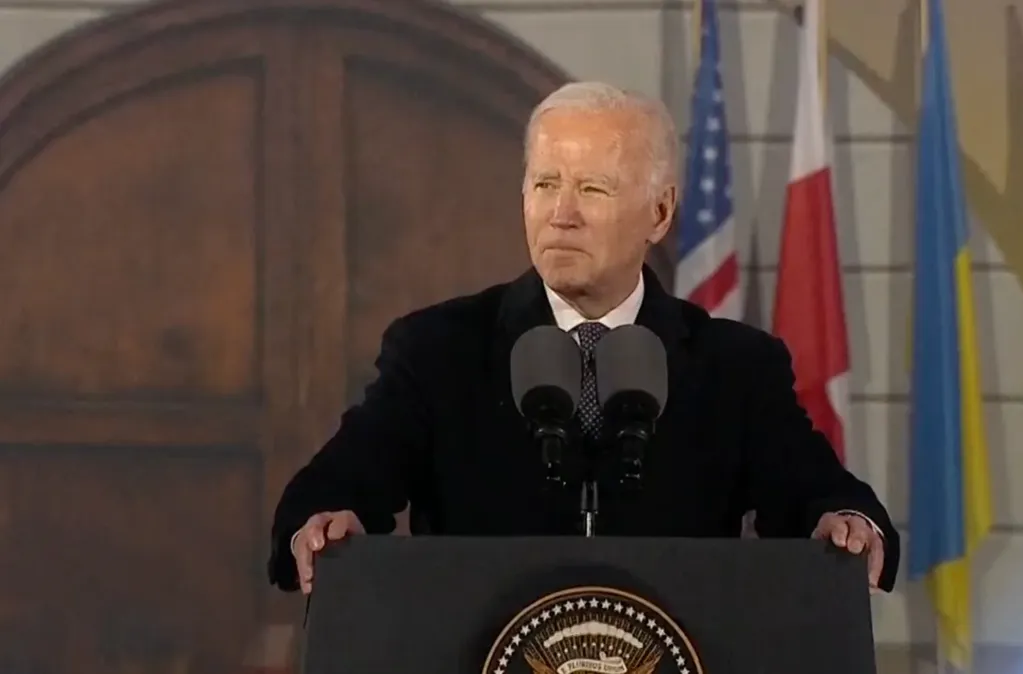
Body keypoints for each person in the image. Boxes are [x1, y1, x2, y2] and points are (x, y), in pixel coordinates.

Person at [268, 81, 900, 596]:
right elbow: (337, 484)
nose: (561, 213)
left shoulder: (734, 366)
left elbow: (819, 491)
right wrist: (320, 522)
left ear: (659, 213)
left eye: (592, 189)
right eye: (546, 184)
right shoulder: (438, 350)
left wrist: (846, 523)